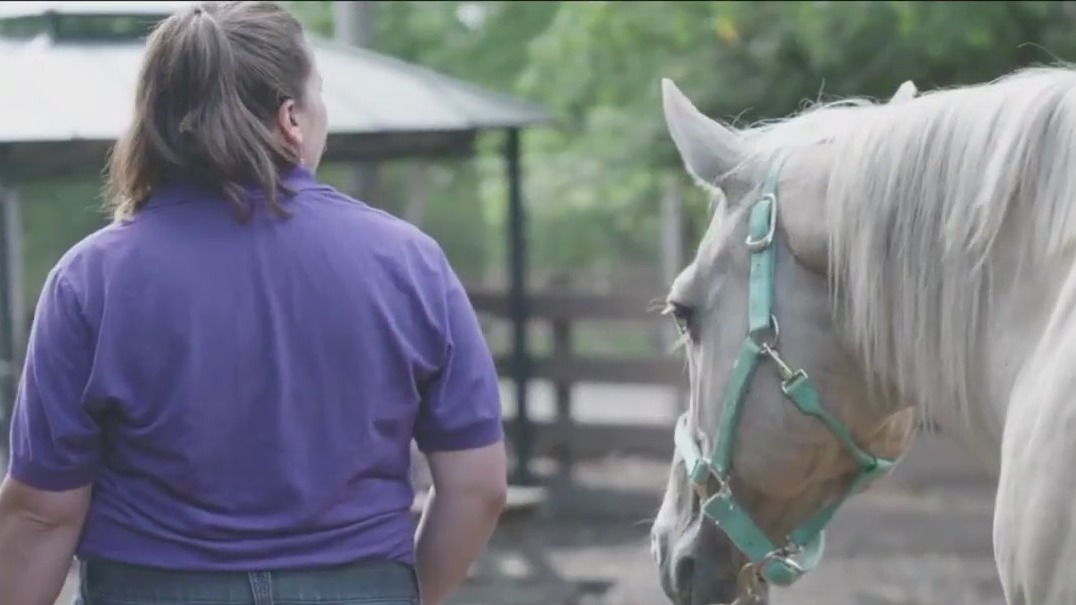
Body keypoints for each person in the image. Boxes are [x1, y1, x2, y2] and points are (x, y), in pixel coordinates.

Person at [0, 2, 508, 605]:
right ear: (291, 118)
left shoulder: (90, 280)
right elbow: (477, 488)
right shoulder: (410, 263)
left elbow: (39, 516)